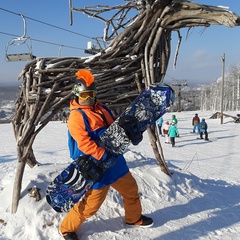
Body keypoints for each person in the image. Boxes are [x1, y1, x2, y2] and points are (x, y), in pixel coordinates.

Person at [59, 69, 153, 240]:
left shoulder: (101, 107)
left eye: (91, 94)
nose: (88, 98)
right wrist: (102, 155)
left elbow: (114, 129)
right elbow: (85, 144)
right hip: (95, 165)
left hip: (115, 162)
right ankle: (67, 228)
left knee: (131, 189)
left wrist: (129, 130)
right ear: (77, 94)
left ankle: (133, 218)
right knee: (91, 206)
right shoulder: (76, 116)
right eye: (85, 95)